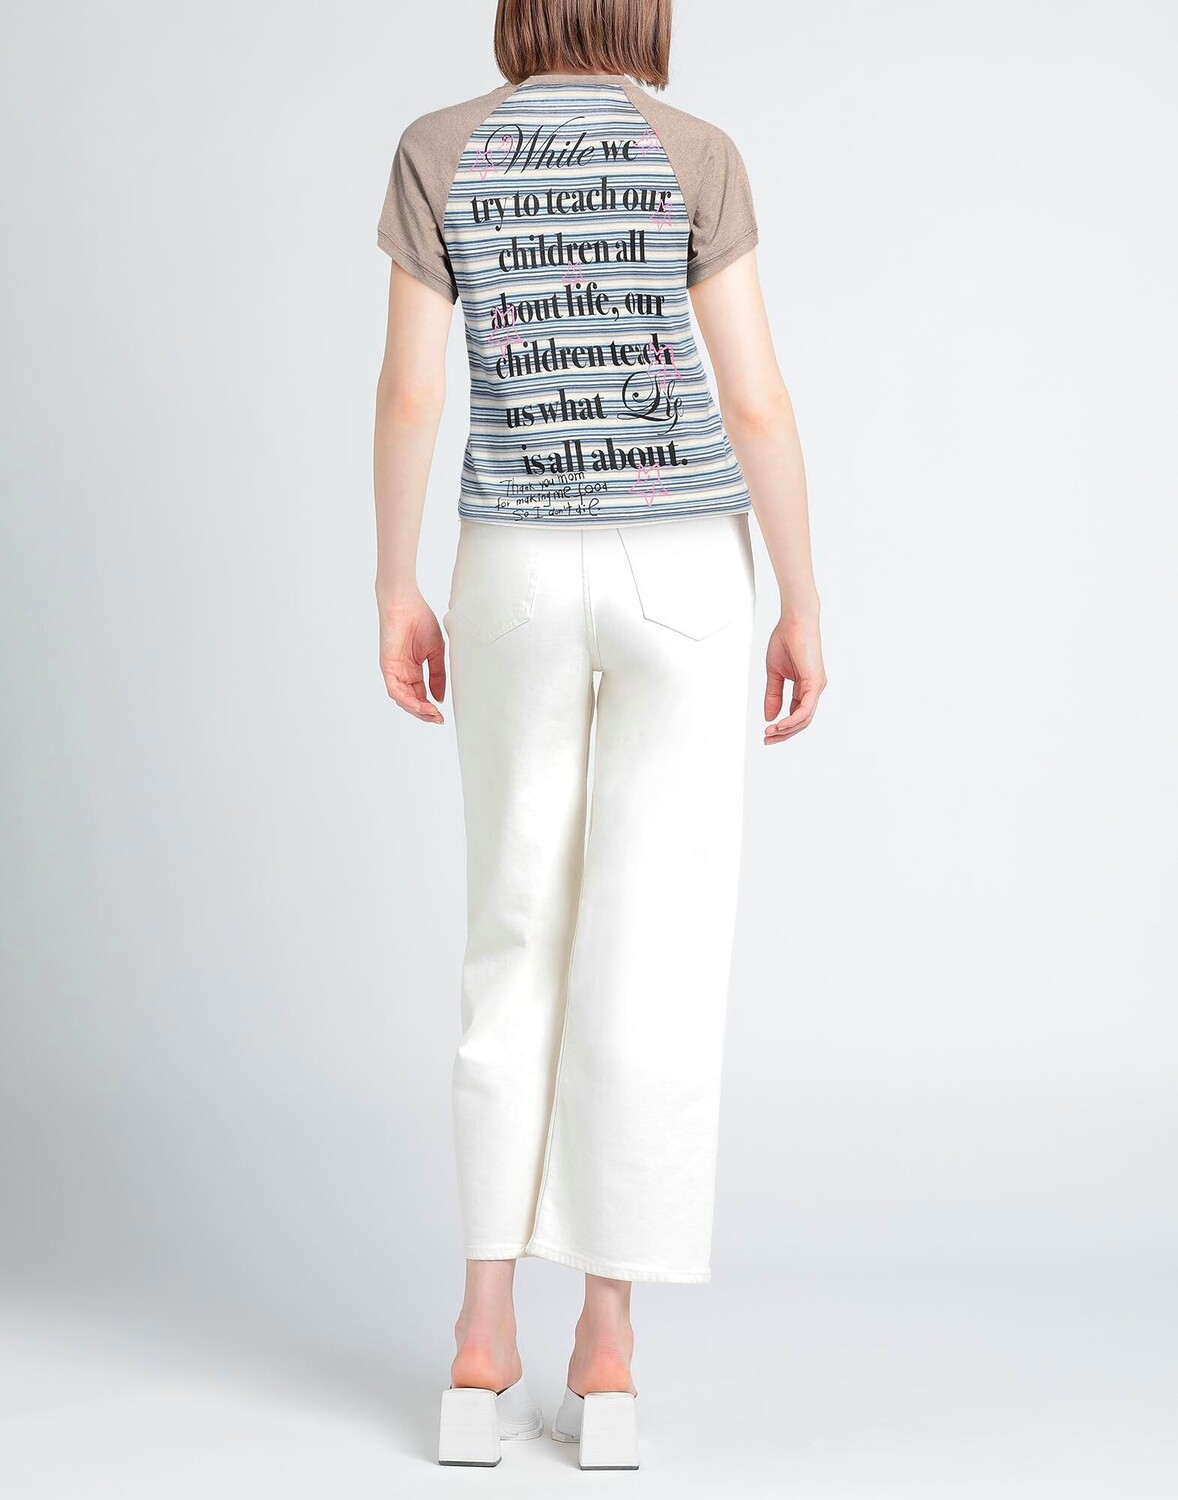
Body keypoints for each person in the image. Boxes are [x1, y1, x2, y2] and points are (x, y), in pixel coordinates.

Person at [372, 0, 825, 1470]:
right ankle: (608, 1351)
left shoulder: (440, 149)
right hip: (681, 572)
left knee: (511, 931)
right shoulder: (695, 153)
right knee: (650, 943)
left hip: (510, 565)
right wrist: (802, 600)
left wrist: (395, 582)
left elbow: (413, 387)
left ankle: (477, 1337)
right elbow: (754, 399)